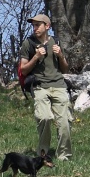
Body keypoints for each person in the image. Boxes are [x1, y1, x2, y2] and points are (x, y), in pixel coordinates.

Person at [19, 13, 73, 161]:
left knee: (64, 122)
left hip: (59, 86)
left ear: (47, 26)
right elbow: (23, 70)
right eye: (33, 25)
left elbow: (65, 69)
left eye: (38, 25)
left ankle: (64, 156)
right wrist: (36, 57)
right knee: (44, 118)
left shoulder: (56, 42)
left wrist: (60, 55)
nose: (34, 28)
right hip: (40, 86)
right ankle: (43, 154)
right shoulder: (28, 43)